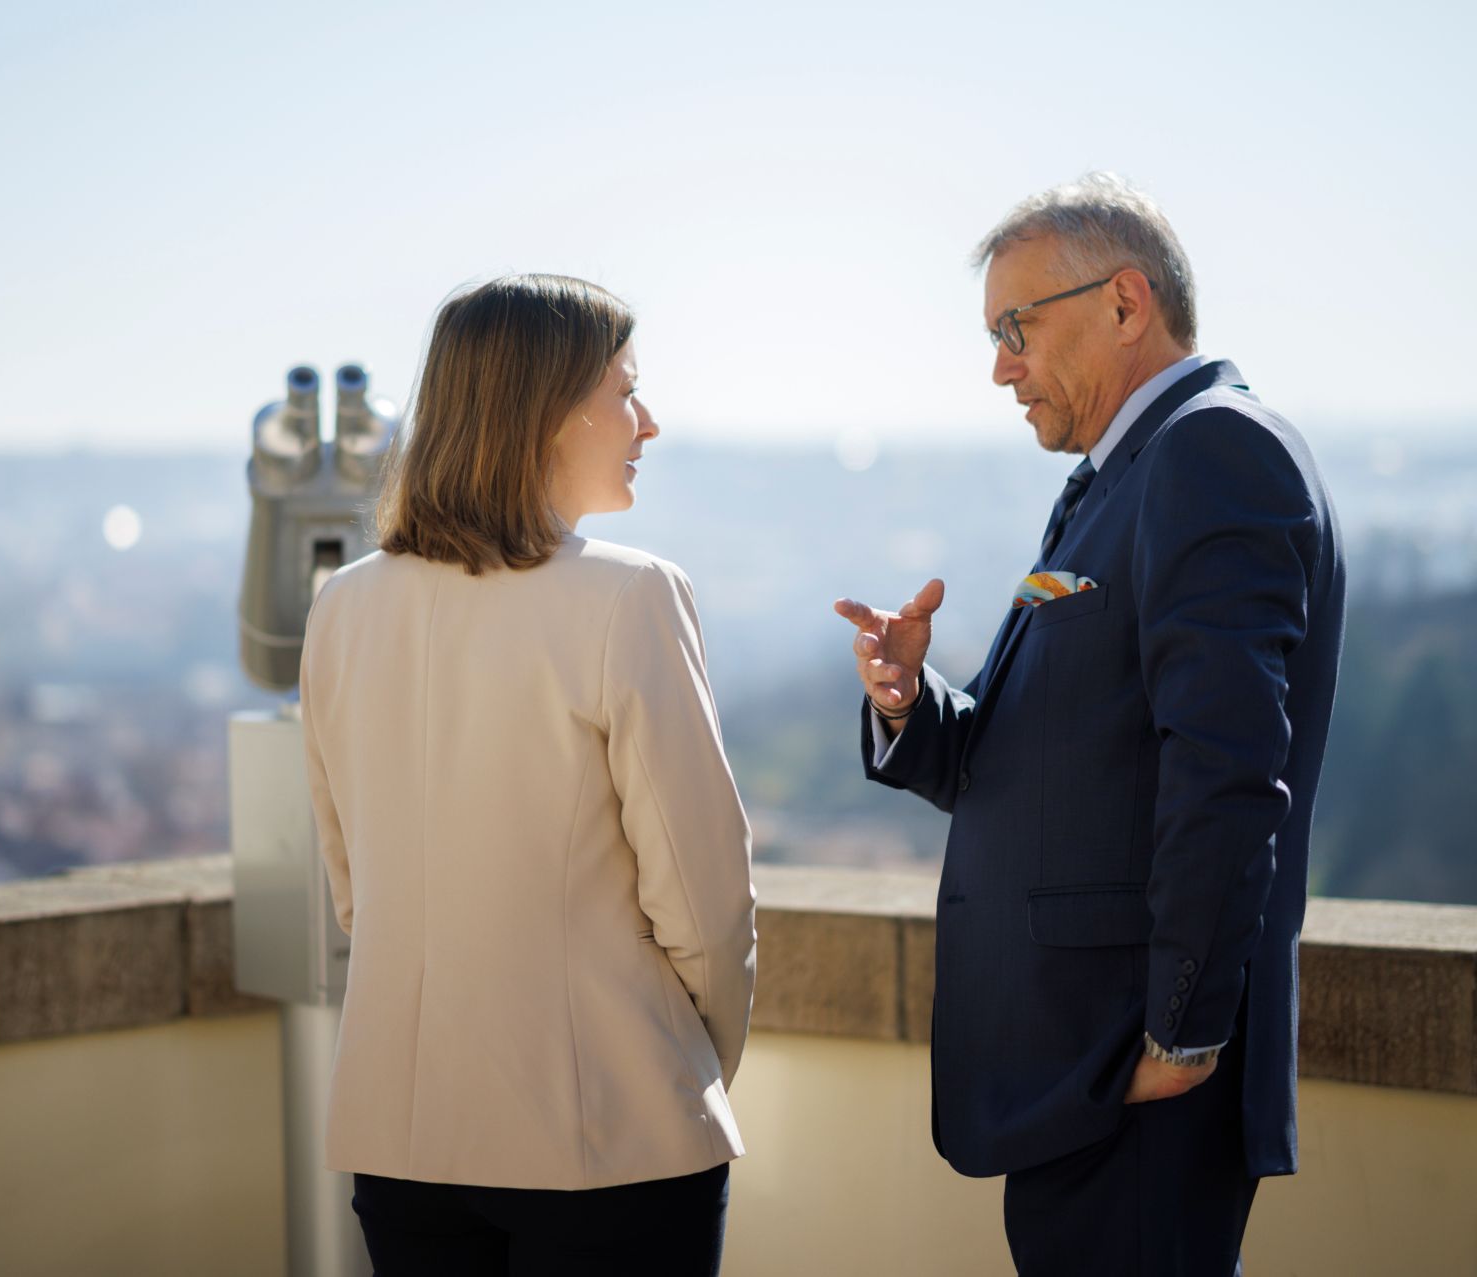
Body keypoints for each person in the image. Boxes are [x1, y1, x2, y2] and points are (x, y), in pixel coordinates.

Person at [835, 174, 1346, 1276]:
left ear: (1124, 302)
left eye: (1015, 327)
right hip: (1084, 1072)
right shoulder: (1118, 474)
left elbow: (1225, 769)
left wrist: (1180, 1031)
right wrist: (907, 700)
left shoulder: (1211, 452)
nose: (1000, 367)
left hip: (1134, 1070)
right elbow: (1031, 751)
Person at [298, 274, 756, 1277]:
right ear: (548, 410)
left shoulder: (342, 607)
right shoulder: (631, 595)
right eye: (624, 391)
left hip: (404, 1137)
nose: (648, 421)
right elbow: (704, 899)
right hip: (610, 1136)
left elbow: (354, 889)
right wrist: (686, 1067)